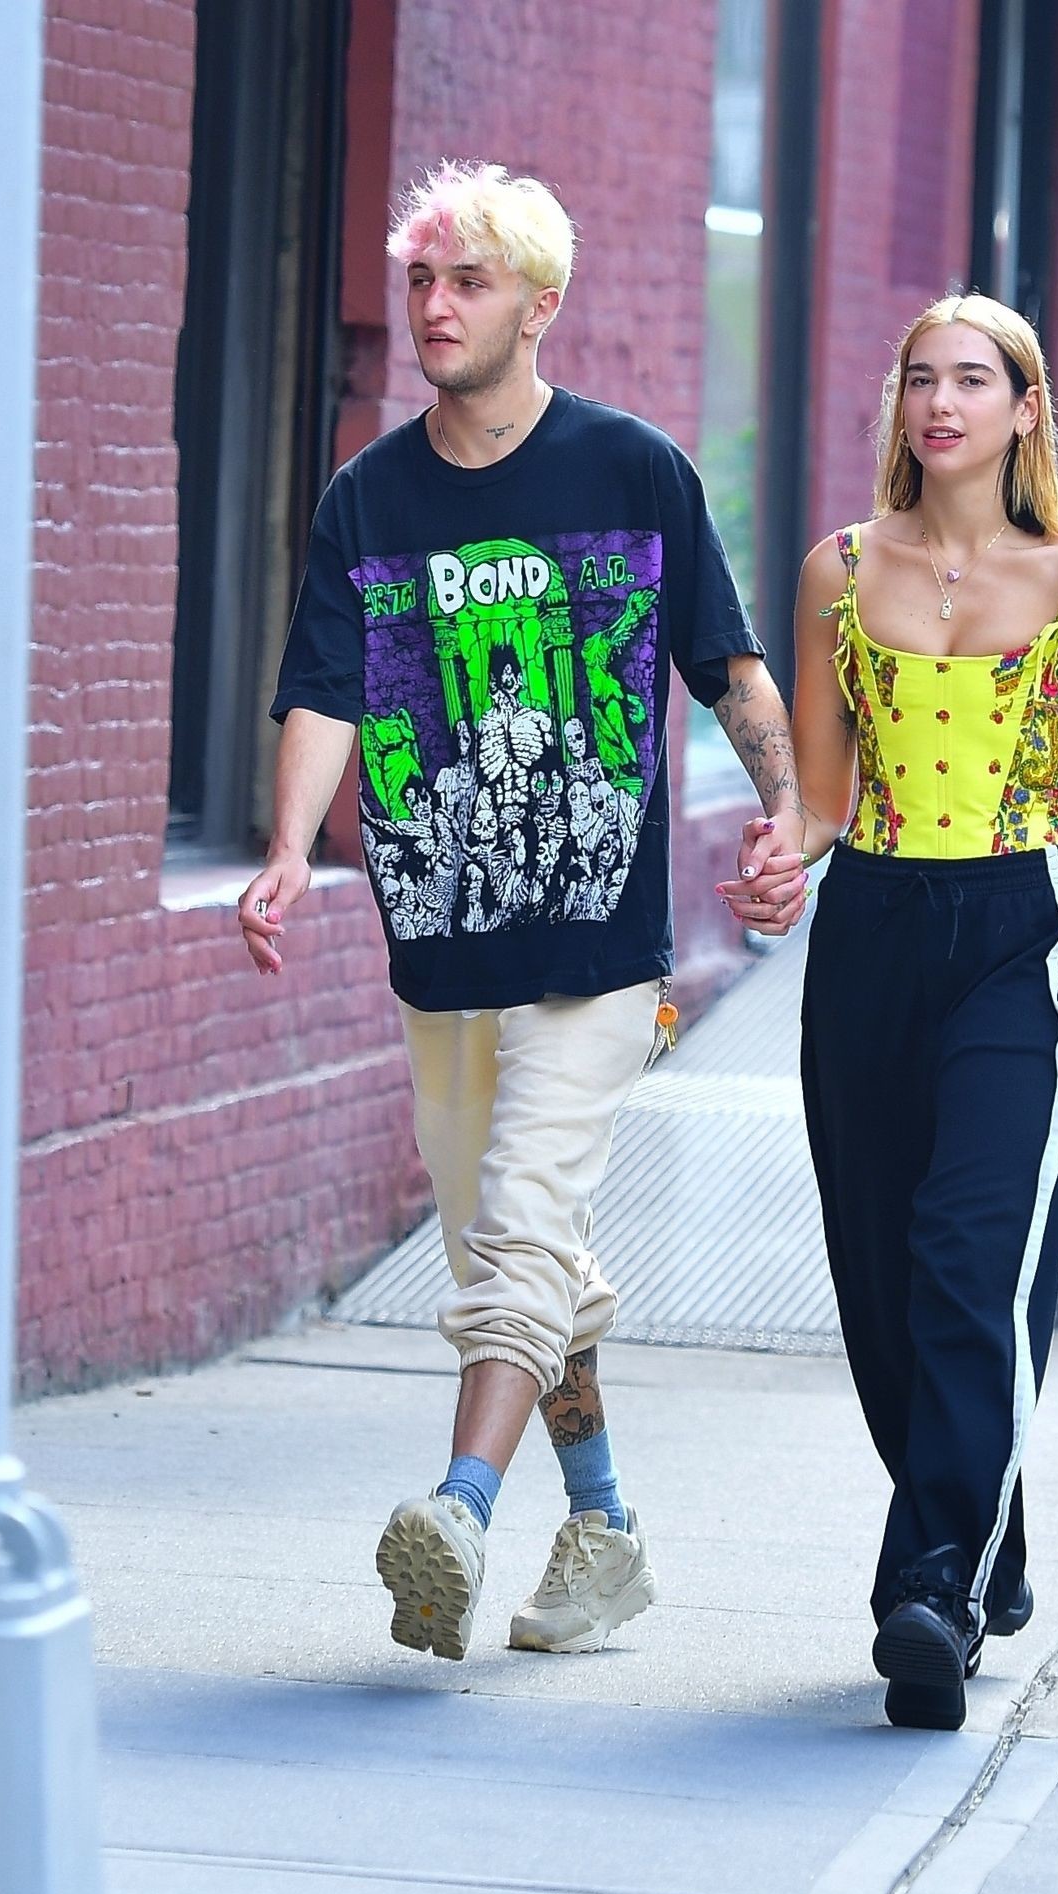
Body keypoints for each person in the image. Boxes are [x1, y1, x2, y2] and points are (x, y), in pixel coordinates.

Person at [240, 160, 805, 1665]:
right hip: (440, 941)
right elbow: (324, 689)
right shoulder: (370, 496)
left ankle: (460, 1509)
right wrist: (290, 848)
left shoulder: (633, 470)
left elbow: (729, 668)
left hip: (597, 946)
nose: (434, 307)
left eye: (468, 283)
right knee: (516, 1250)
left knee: (523, 1219)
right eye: (421, 281)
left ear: (540, 306)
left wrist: (787, 816)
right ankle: (606, 1527)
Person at [721, 293, 1058, 1730]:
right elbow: (823, 795)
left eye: (974, 380)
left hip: (1022, 934)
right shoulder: (836, 570)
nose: (941, 403)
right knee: (878, 1281)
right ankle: (992, 1529)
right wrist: (781, 857)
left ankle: (930, 1586)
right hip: (871, 930)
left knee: (969, 1258)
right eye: (921, 378)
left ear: (1025, 408)